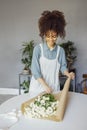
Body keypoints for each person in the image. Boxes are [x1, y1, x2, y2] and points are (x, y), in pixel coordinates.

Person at [29, 10, 75, 97]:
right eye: (48, 36)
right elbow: (35, 71)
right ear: (44, 35)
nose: (51, 39)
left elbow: (63, 67)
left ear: (58, 35)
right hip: (38, 87)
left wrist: (68, 74)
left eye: (54, 36)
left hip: (53, 87)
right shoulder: (38, 49)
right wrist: (45, 85)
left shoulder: (60, 51)